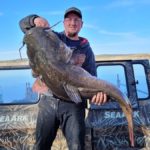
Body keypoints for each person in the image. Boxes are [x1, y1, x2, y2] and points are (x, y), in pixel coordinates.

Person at [19, 7, 107, 150]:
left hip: (73, 104)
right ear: (64, 22)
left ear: (82, 24)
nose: (73, 22)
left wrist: (99, 94)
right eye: (69, 19)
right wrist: (34, 19)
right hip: (48, 100)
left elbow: (92, 79)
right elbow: (24, 26)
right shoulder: (52, 38)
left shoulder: (86, 50)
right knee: (40, 145)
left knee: (77, 146)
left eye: (76, 20)